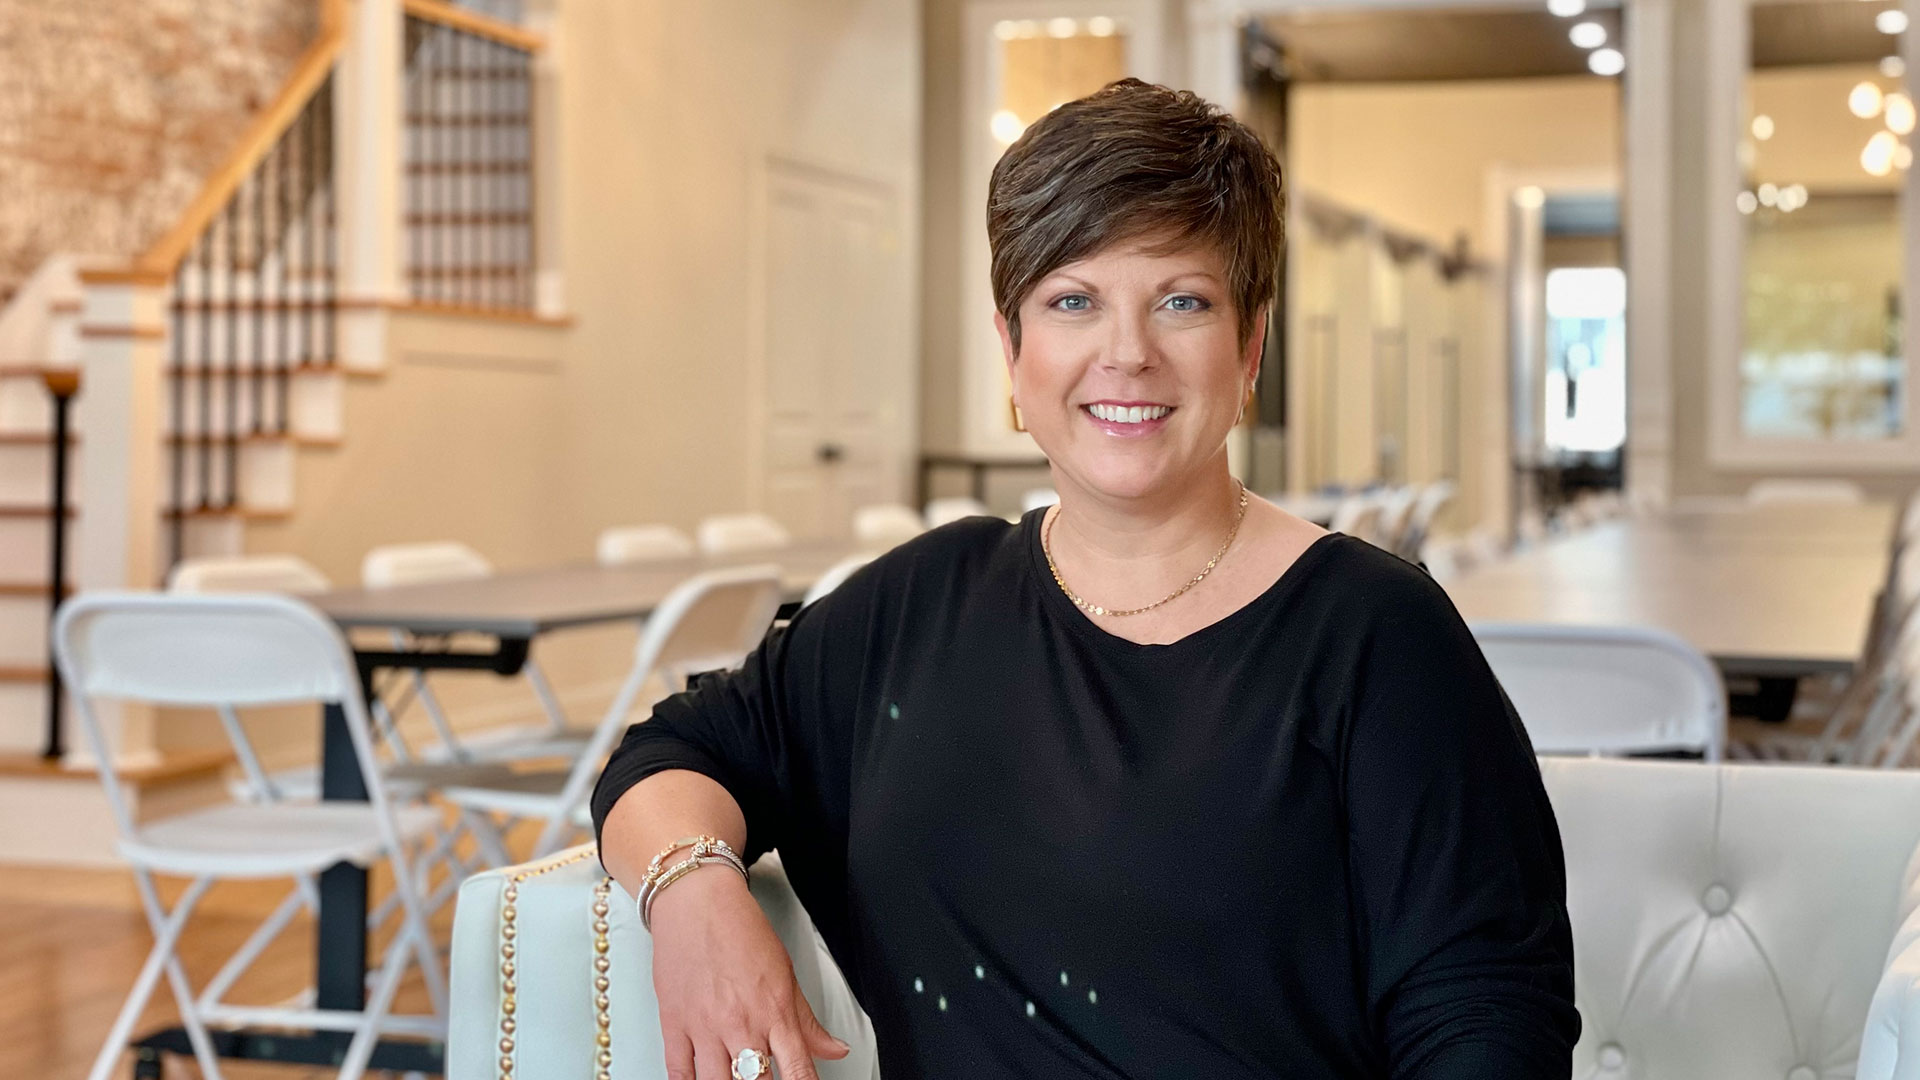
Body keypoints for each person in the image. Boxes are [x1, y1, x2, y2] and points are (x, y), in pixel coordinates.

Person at [593, 77, 1578, 1080]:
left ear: (1251, 346)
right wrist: (695, 897)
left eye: (1182, 302)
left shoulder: (1378, 634)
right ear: (1013, 351)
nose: (1128, 354)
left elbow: (1488, 1021)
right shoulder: (919, 606)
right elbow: (671, 754)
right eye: (1073, 301)